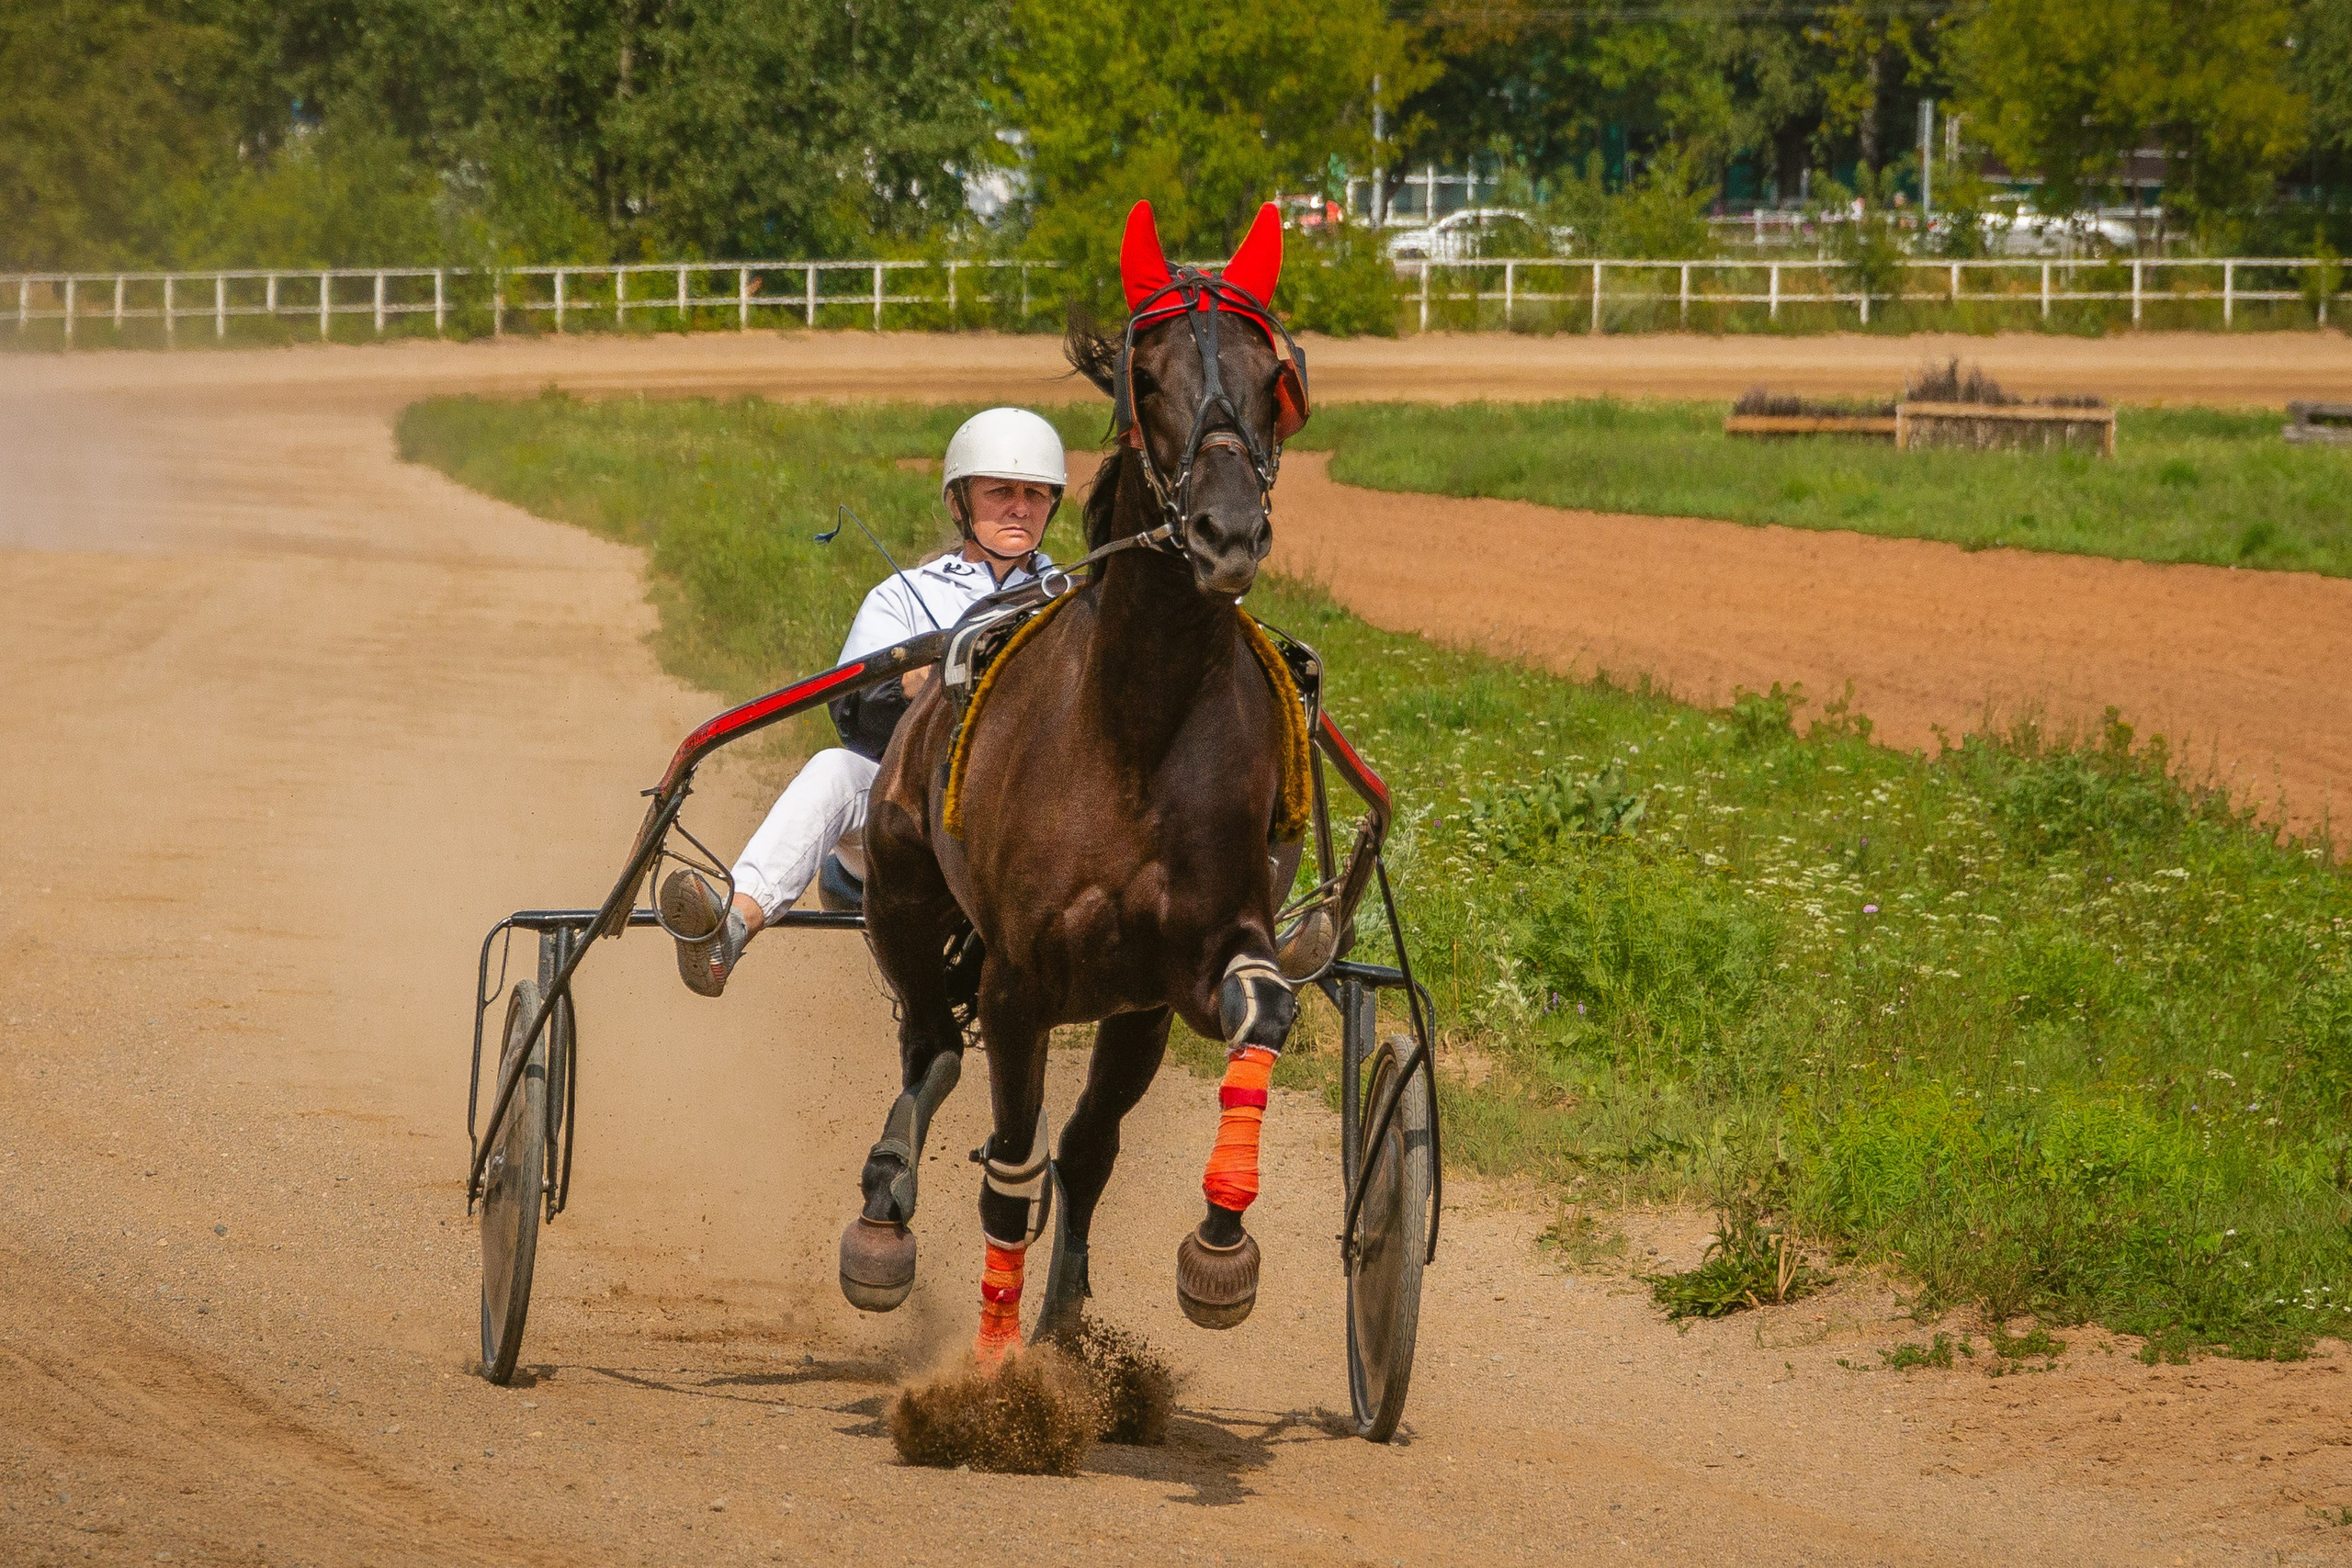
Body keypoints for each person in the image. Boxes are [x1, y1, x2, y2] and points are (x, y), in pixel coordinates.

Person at [659, 407, 1065, 997]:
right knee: (833, 770)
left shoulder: (1076, 600)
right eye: (1000, 490)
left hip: (1036, 835)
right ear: (960, 503)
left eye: (1036, 493)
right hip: (917, 832)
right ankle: (729, 928)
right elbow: (854, 713)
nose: (1021, 507)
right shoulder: (906, 594)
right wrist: (922, 683)